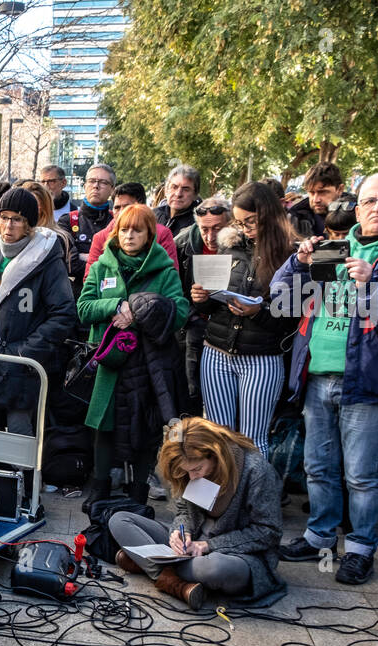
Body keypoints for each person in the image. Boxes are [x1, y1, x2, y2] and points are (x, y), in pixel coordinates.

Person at [274, 172, 378, 585]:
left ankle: (361, 547)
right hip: (317, 377)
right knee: (317, 467)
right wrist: (299, 261)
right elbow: (281, 297)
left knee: (361, 474)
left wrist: (372, 285)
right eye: (370, 201)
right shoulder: (336, 248)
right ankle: (319, 537)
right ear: (357, 207)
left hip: (366, 383)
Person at [110, 417, 285, 608]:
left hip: (237, 556)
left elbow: (268, 531)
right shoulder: (189, 469)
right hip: (191, 547)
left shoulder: (256, 471)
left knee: (213, 568)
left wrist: (209, 545)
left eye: (197, 469)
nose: (193, 477)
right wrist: (180, 532)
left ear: (214, 455)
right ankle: (174, 582)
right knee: (119, 520)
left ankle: (149, 565)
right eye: (187, 472)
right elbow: (184, 510)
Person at [80, 203, 190, 505]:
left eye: (137, 230)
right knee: (104, 425)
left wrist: (141, 310)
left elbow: (180, 311)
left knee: (146, 426)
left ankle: (138, 493)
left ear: (149, 234)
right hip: (111, 362)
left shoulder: (164, 269)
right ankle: (100, 489)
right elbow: (83, 308)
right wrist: (115, 306)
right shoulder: (102, 266)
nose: (129, 235)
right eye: (124, 229)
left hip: (149, 361)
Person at [0, 188, 76, 436]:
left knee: (18, 441)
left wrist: (26, 350)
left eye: (17, 219)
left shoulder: (46, 258)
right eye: (4, 217)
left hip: (21, 365)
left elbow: (64, 313)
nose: (8, 225)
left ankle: (18, 476)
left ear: (29, 225)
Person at [193, 182, 297, 458]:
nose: (245, 228)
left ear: (268, 214)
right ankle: (220, 501)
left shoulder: (291, 254)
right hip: (216, 352)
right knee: (218, 439)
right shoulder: (229, 247)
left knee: (253, 441)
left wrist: (258, 312)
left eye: (250, 221)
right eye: (239, 222)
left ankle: (254, 500)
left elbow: (292, 321)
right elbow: (211, 306)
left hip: (261, 359)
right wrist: (201, 297)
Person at [175, 194, 233, 414]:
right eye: (204, 229)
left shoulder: (241, 246)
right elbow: (173, 290)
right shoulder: (181, 243)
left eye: (217, 229)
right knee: (191, 390)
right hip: (192, 328)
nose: (210, 236)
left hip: (228, 330)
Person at [84, 182, 180, 271]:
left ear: (141, 206)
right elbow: (90, 280)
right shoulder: (100, 238)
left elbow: (171, 275)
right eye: (117, 208)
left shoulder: (161, 233)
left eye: (127, 207)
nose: (121, 212)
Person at [59, 164, 116, 285]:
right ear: (85, 186)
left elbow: (123, 263)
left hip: (111, 294)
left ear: (112, 189)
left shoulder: (117, 222)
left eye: (103, 182)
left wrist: (84, 256)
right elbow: (70, 265)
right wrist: (105, 260)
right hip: (76, 294)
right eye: (92, 181)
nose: (96, 186)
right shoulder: (67, 221)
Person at [287, 161, 343, 238]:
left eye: (322, 192)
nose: (316, 200)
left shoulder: (358, 215)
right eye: (311, 192)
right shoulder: (296, 218)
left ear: (340, 189)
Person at [155, 164, 201, 233]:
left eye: (186, 189)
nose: (178, 194)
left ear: (195, 194)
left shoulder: (199, 223)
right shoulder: (153, 216)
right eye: (174, 187)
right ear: (166, 191)